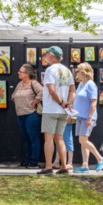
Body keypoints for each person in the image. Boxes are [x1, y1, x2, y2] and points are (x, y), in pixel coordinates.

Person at [37, 46, 76, 175]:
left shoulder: (50, 70)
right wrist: (68, 103)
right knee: (59, 138)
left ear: (52, 56)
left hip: (52, 109)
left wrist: (61, 103)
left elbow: (51, 90)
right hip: (63, 111)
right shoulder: (67, 71)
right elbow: (72, 90)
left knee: (48, 138)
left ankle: (49, 166)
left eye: (47, 54)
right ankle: (63, 166)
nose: (45, 57)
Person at [72, 63, 103, 173]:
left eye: (78, 71)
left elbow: (93, 102)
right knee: (83, 141)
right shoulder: (81, 84)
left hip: (87, 117)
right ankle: (85, 165)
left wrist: (89, 117)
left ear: (84, 72)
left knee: (82, 139)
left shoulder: (91, 84)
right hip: (80, 116)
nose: (77, 73)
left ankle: (100, 159)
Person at [11, 64, 42, 168]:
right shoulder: (20, 84)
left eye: (21, 72)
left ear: (27, 74)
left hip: (31, 114)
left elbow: (43, 91)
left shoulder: (33, 83)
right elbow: (13, 96)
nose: (18, 73)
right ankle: (26, 159)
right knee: (25, 139)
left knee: (33, 138)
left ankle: (34, 161)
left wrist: (36, 100)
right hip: (20, 114)